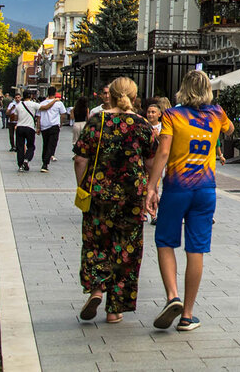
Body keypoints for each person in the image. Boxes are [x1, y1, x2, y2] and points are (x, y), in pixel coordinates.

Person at [146, 70, 233, 333]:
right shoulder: (217, 113)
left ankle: (173, 296)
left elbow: (163, 151)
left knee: (165, 241)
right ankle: (187, 315)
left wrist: (151, 186)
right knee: (196, 249)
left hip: (177, 188)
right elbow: (229, 130)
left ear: (183, 88)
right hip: (205, 190)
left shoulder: (172, 115)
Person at [73, 76, 156, 324]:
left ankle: (97, 289)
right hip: (132, 197)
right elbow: (151, 163)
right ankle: (115, 310)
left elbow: (80, 159)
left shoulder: (96, 121)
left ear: (109, 95)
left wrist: (83, 186)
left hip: (99, 193)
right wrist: (151, 191)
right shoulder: (142, 125)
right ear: (133, 95)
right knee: (126, 250)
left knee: (96, 244)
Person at [37, 87, 68, 173]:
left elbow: (38, 117)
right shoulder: (59, 104)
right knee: (52, 145)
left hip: (44, 126)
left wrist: (38, 127)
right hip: (54, 125)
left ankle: (44, 161)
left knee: (45, 144)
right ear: (55, 93)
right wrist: (61, 123)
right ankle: (45, 164)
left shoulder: (42, 103)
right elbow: (63, 114)